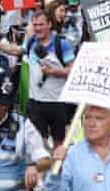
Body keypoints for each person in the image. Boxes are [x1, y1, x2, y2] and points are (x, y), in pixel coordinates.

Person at [24, 9, 76, 146]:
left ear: (49, 24)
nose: (37, 28)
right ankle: (44, 166)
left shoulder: (62, 43)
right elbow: (16, 51)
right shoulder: (30, 42)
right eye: (35, 25)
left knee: (59, 143)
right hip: (35, 102)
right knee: (37, 142)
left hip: (57, 102)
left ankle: (58, 167)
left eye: (41, 25)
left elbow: (73, 69)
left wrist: (53, 72)